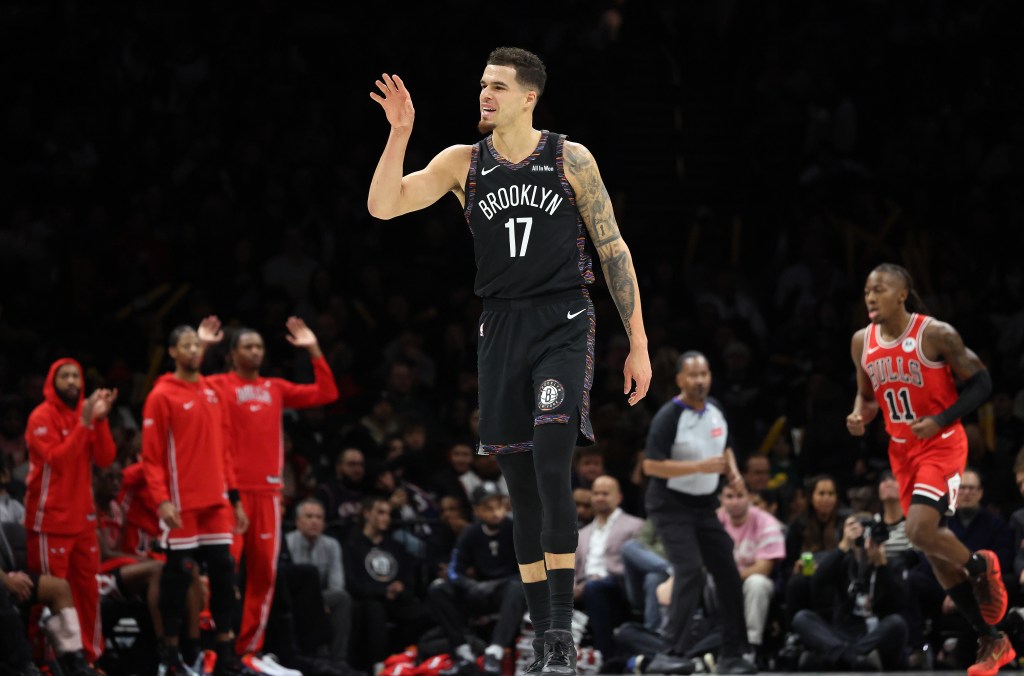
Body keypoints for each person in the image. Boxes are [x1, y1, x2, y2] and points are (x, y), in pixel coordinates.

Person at [367, 46, 652, 675]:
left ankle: (558, 636)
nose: (485, 95)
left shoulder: (569, 158)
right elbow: (384, 206)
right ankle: (546, 632)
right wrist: (400, 134)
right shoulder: (462, 163)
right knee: (521, 489)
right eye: (481, 85)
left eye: (498, 86)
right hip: (500, 329)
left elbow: (613, 249)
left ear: (530, 96)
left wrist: (638, 342)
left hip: (563, 323)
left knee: (553, 465)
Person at [846, 262, 1013, 674]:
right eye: (867, 290)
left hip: (941, 444)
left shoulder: (935, 333)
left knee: (920, 530)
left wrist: (941, 418)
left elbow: (982, 383)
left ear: (901, 294)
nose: (870, 296)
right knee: (931, 552)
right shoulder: (861, 342)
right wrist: (858, 414)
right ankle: (994, 641)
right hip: (901, 452)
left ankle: (980, 566)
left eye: (879, 289)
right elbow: (868, 398)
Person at [199, 315, 339, 672]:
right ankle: (212, 644)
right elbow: (186, 386)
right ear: (232, 354)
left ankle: (247, 650)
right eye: (248, 346)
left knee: (264, 575)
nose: (256, 351)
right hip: (230, 492)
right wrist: (200, 347)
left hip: (268, 494)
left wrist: (313, 349)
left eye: (260, 346)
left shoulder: (275, 388)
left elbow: (327, 392)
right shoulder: (219, 385)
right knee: (223, 572)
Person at [142, 325, 249, 676]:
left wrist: (234, 500)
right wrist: (161, 501)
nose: (192, 350)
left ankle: (224, 653)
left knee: (224, 574)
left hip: (216, 502)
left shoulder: (213, 391)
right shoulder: (161, 395)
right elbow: (152, 456)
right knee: (177, 576)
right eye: (185, 345)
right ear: (172, 352)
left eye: (196, 345)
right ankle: (170, 653)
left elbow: (226, 452)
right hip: (180, 503)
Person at [641, 351, 756, 674]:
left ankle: (732, 654)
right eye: (693, 375)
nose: (700, 381)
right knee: (691, 570)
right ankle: (668, 652)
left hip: (704, 505)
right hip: (670, 505)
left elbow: (726, 447)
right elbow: (650, 465)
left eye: (704, 374)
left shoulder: (716, 410)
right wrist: (699, 466)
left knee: (728, 573)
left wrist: (733, 473)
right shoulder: (669, 416)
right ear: (680, 380)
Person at [23, 358, 118, 666]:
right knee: (53, 599)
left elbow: (105, 458)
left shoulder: (84, 415)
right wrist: (86, 423)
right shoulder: (41, 416)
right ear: (52, 382)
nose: (72, 381)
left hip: (83, 520)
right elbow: (58, 461)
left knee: (88, 594)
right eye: (64, 376)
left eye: (76, 376)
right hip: (49, 520)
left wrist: (100, 421)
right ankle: (49, 663)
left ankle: (90, 661)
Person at [427, 484, 526, 676]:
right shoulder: (470, 533)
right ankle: (464, 654)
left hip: (506, 590)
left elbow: (530, 569)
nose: (495, 512)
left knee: (519, 587)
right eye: (488, 508)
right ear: (477, 510)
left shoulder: (517, 529)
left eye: (498, 506)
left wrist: (495, 584)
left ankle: (495, 652)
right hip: (478, 591)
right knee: (438, 589)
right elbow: (454, 570)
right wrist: (469, 585)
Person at [790, 513, 909, 671]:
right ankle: (854, 658)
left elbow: (900, 604)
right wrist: (843, 546)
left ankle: (832, 659)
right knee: (802, 618)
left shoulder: (890, 563)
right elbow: (817, 582)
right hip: (840, 634)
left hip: (873, 637)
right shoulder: (841, 560)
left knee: (897, 623)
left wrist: (882, 566)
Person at [573, 475, 644, 658]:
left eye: (605, 493)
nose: (600, 498)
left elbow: (637, 565)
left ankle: (603, 654)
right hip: (584, 585)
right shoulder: (582, 533)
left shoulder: (635, 525)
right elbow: (573, 566)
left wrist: (596, 580)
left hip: (619, 584)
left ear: (618, 497)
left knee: (595, 587)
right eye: (596, 493)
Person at [716, 481, 784, 660]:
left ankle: (749, 648)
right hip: (719, 583)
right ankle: (711, 641)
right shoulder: (713, 522)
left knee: (757, 583)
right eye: (729, 497)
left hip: (751, 582)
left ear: (750, 498)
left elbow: (764, 567)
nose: (735, 502)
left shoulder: (766, 521)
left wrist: (732, 577)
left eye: (740, 496)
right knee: (705, 578)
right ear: (721, 499)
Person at [284, 498, 354, 671]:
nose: (314, 521)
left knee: (342, 598)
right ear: (298, 521)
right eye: (309, 516)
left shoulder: (331, 545)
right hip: (293, 598)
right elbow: (286, 584)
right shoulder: (287, 542)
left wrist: (320, 602)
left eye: (319, 517)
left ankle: (338, 661)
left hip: (322, 597)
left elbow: (337, 584)